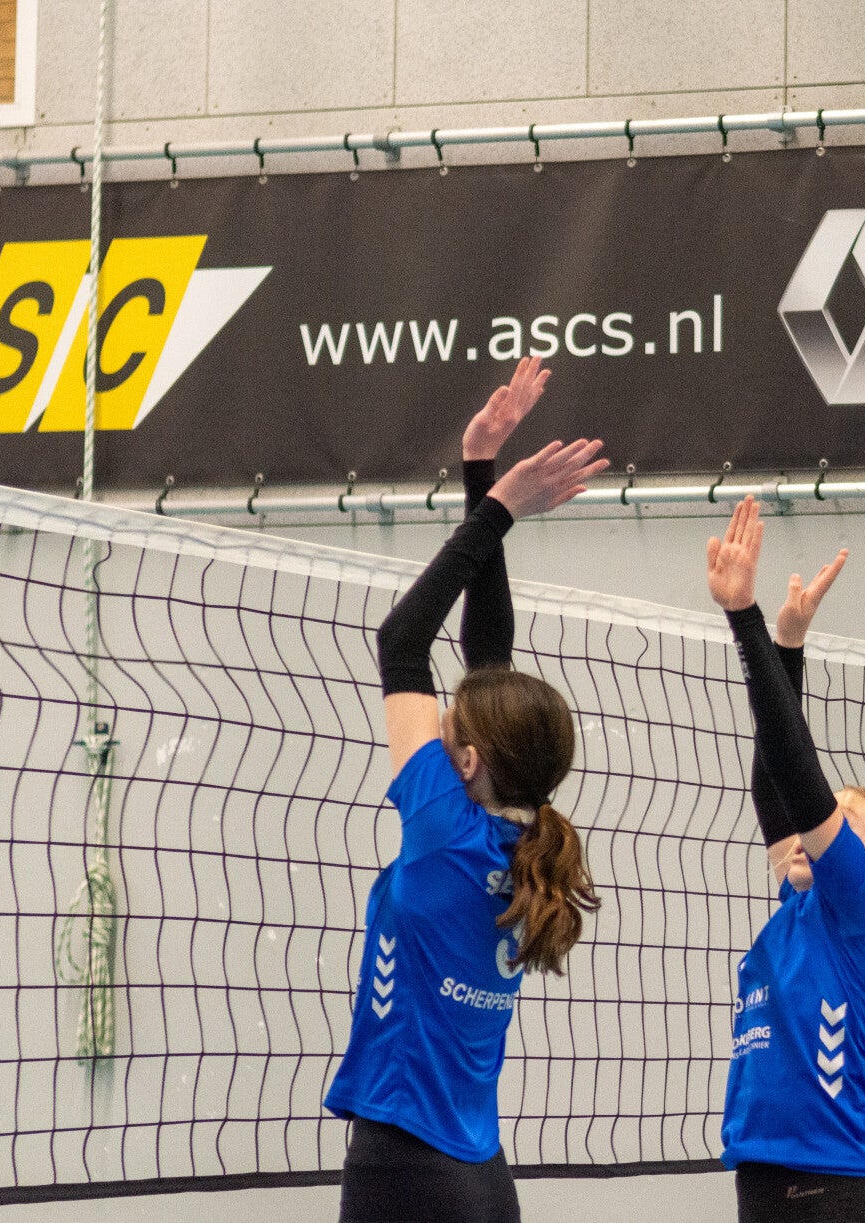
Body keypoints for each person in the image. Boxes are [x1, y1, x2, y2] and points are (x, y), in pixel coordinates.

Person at [324, 358, 609, 1223]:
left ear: (471, 759)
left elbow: (401, 641)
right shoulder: (521, 840)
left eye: (449, 721)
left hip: (406, 1170)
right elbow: (489, 663)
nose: (439, 714)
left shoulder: (446, 828)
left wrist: (499, 507)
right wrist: (480, 468)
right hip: (479, 1176)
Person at [705, 496, 865, 1223]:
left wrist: (745, 617)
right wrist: (789, 644)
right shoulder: (806, 904)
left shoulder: (862, 907)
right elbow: (773, 783)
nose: (809, 831)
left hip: (834, 1197)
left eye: (839, 822)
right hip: (767, 1191)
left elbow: (794, 770)